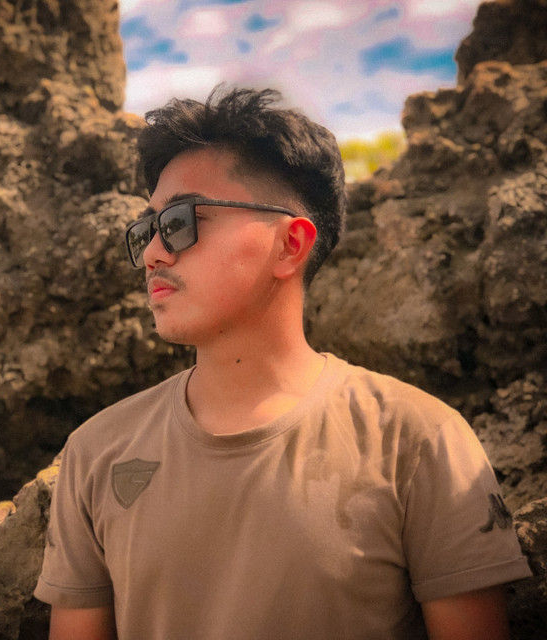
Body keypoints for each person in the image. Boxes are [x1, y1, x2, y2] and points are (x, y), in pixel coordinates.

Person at [34, 86, 532, 640]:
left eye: (178, 221)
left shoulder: (418, 441)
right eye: (146, 230)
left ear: (291, 245)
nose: (153, 253)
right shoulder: (96, 452)